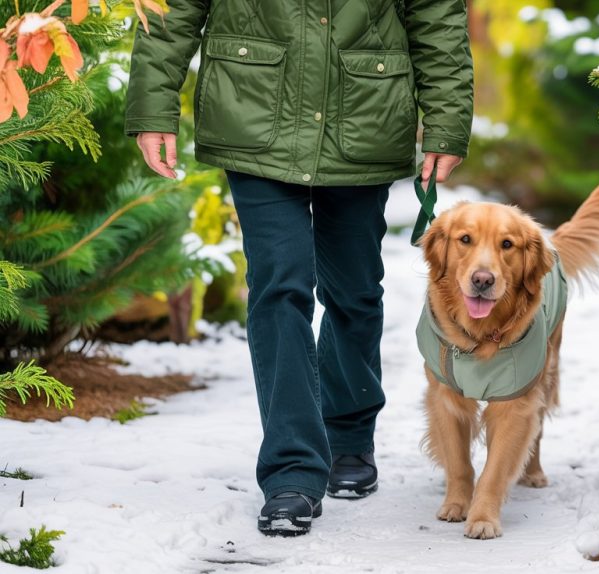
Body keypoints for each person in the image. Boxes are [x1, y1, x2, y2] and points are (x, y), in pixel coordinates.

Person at [123, 0, 473, 537]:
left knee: (354, 291)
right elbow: (172, 8)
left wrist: (447, 123)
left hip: (365, 117)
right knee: (279, 287)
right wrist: (152, 108)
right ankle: (291, 471)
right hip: (253, 112)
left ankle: (350, 436)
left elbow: (436, 15)